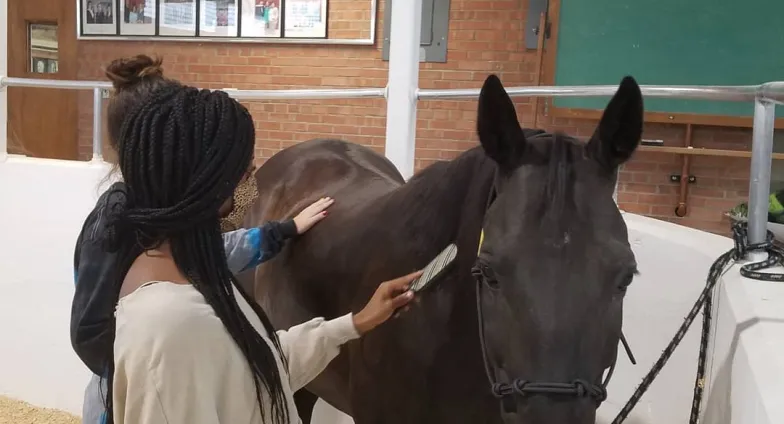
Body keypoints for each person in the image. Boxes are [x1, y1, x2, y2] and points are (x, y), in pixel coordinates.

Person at [76, 55, 421, 424]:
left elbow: (249, 370)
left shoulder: (191, 275)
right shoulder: (170, 326)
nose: (250, 183)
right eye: (243, 171)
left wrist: (355, 323)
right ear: (206, 184)